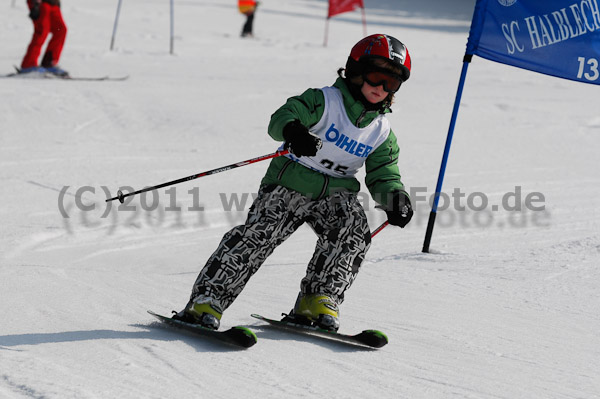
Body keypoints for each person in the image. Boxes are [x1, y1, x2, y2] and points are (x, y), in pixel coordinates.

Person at [175, 34, 414, 332]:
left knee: (352, 233)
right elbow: (282, 117)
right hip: (290, 183)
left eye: (391, 83)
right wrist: (294, 131)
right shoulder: (324, 101)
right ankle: (207, 301)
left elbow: (384, 173)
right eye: (377, 77)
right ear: (355, 71)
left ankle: (317, 300)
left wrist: (394, 197)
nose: (381, 88)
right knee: (259, 235)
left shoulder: (381, 132)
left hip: (337, 193)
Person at [20, 0, 68, 76]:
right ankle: (28, 64)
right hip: (39, 3)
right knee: (42, 31)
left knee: (60, 30)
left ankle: (48, 62)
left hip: (52, 3)